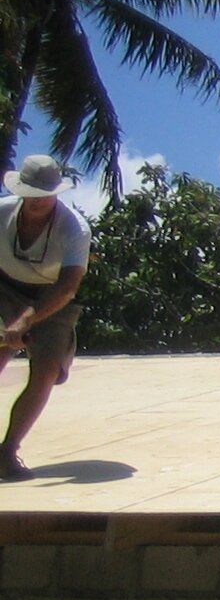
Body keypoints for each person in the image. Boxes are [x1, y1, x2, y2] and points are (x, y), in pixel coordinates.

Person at [0, 155, 91, 482]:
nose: (37, 201)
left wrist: (25, 321)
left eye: (44, 195)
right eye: (31, 194)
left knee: (47, 368)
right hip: (4, 285)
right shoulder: (2, 212)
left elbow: (68, 287)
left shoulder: (74, 229)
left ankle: (7, 450)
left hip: (52, 295)